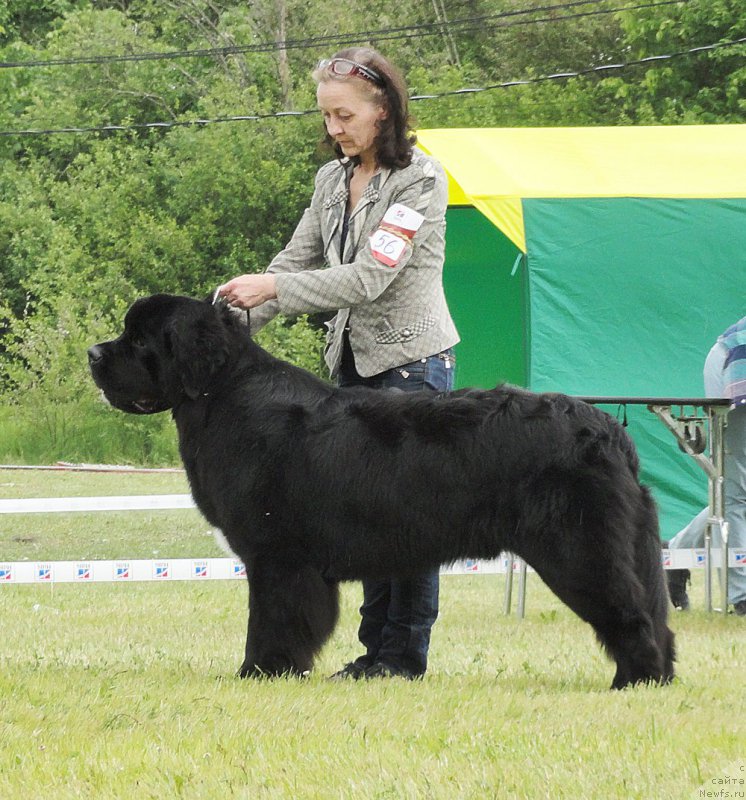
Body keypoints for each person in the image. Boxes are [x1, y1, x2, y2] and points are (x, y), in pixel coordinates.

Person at [217, 47, 459, 678]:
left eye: (344, 116)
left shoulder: (422, 180)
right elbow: (288, 265)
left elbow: (372, 276)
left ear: (383, 111)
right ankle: (371, 653)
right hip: (352, 372)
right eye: (326, 117)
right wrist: (219, 331)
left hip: (413, 365)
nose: (334, 129)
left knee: (408, 521)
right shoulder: (330, 182)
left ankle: (402, 657)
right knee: (363, 519)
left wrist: (272, 291)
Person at [664, 315, 746, 615]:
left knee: (733, 493)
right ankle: (743, 597)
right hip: (735, 366)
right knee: (734, 489)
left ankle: (677, 551)